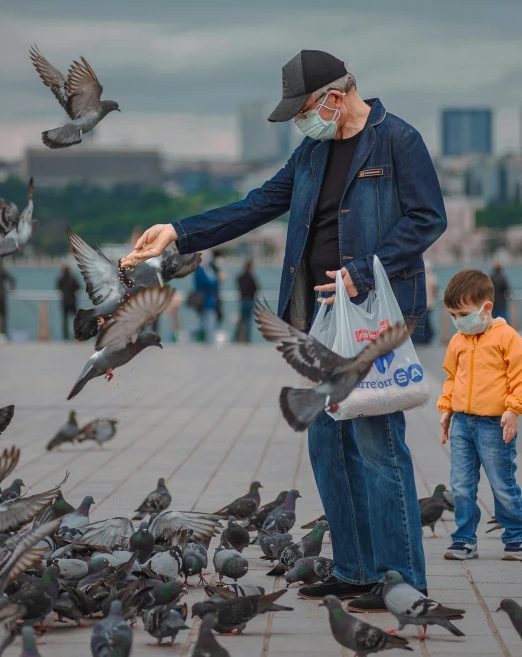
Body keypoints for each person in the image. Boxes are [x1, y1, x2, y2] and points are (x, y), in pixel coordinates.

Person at [121, 49, 447, 609]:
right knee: (327, 442)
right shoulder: (312, 152)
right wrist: (176, 230)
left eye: (304, 110)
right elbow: (257, 205)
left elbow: (427, 217)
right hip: (316, 317)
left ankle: (401, 582)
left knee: (376, 443)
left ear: (335, 98)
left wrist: (366, 271)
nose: (302, 122)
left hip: (371, 318)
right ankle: (353, 569)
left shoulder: (399, 140)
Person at [438, 269, 522, 562]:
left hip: (494, 424)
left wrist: (513, 409)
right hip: (462, 422)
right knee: (460, 485)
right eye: (452, 314)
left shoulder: (508, 338)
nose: (457, 321)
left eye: (462, 313)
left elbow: (519, 377)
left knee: (503, 484)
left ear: (486, 308)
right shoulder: (458, 340)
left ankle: (516, 537)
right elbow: (451, 377)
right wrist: (445, 409)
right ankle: (464, 540)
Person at [193, 254, 219, 344]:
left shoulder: (207, 269)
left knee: (206, 321)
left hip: (209, 300)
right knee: (205, 322)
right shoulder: (200, 270)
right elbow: (208, 283)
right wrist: (216, 281)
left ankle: (208, 340)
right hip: (204, 300)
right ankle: (207, 340)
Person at [235, 260, 258, 343]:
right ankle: (246, 339)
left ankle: (238, 337)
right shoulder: (251, 278)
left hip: (243, 300)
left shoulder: (240, 277)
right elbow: (256, 288)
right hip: (249, 300)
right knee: (247, 321)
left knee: (242, 320)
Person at [56, 265, 80, 341]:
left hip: (64, 302)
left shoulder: (60, 279)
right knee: (75, 320)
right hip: (72, 302)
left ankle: (65, 337)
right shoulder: (73, 279)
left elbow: (58, 287)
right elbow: (78, 287)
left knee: (65, 320)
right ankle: (76, 336)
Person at [418, 260, 438, 344]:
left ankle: (423, 339)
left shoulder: (420, 278)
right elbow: (435, 291)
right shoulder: (433, 278)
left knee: (423, 323)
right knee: (428, 323)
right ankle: (428, 338)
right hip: (430, 304)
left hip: (420, 305)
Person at [0, 263, 15, 340]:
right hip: (2, 296)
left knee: (3, 315)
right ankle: (3, 334)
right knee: (3, 315)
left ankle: (3, 334)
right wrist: (12, 288)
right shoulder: (2, 268)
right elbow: (10, 278)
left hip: (2, 296)